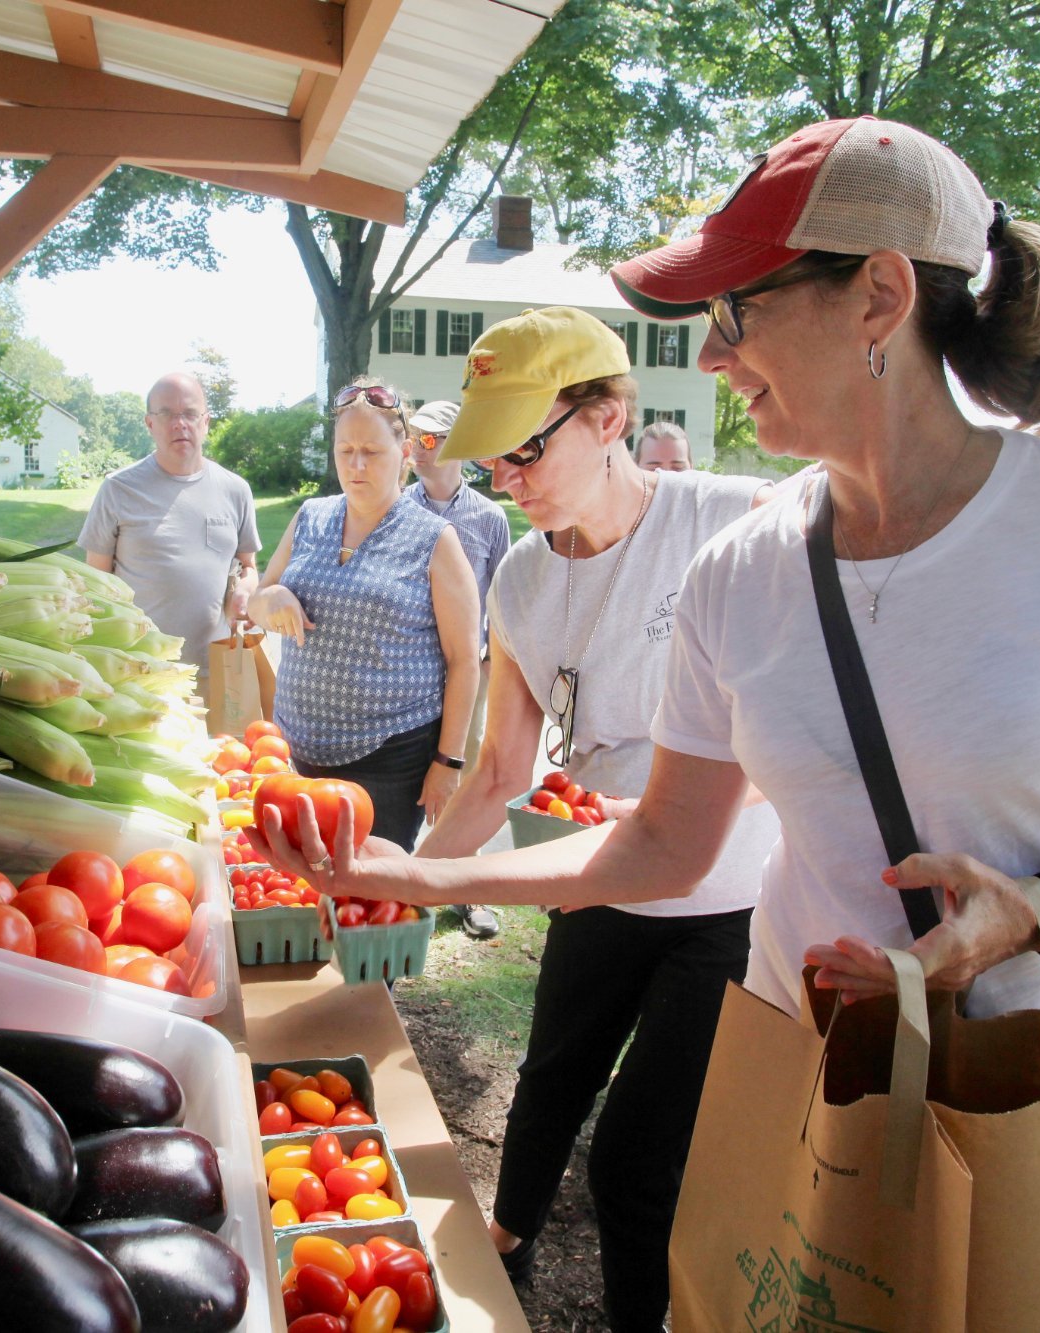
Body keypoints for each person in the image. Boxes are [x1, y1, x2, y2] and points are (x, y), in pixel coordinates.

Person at [246, 118, 1040, 1325]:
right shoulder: (740, 575)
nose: (710, 356)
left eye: (739, 312)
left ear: (880, 297)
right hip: (801, 1065)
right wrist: (420, 876)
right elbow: (661, 847)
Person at [412, 305, 779, 1326]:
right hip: (594, 874)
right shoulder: (521, 574)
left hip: (728, 900)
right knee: (548, 1075)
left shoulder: (740, 518)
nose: (505, 480)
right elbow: (497, 773)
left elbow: (809, 717)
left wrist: (682, 801)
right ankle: (508, 1235)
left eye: (523, 451)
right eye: (491, 460)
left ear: (609, 416)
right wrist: (393, 885)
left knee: (636, 1159)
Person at [249, 379, 481, 847]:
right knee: (304, 891)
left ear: (406, 451)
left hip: (388, 763)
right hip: (297, 753)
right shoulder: (311, 516)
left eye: (371, 451)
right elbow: (259, 598)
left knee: (373, 902)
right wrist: (269, 599)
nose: (356, 465)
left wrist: (448, 762)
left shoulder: (435, 540)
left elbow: (464, 660)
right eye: (345, 450)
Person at [405, 398, 513, 937]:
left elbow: (501, 598)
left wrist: (495, 662)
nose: (417, 449)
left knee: (466, 775)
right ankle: (403, 882)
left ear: (458, 448)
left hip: (470, 669)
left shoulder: (489, 518)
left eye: (430, 438)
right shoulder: (396, 506)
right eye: (413, 437)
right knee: (411, 767)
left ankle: (464, 890)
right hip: (409, 664)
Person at [77, 371, 260, 677]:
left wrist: (245, 590)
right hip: (139, 672)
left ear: (206, 422)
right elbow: (96, 582)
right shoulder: (118, 489)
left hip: (217, 669)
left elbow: (249, 566)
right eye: (166, 413)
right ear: (150, 423)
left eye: (190, 413)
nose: (180, 424)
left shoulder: (235, 489)